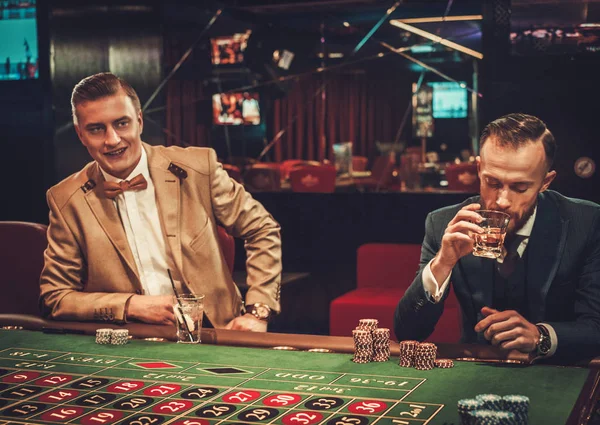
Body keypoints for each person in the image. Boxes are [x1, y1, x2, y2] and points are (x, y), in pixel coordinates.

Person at [40, 72, 282, 332]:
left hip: (218, 330)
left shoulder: (199, 168)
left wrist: (258, 311)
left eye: (122, 123)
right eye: (97, 129)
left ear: (140, 121)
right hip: (131, 340)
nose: (112, 140)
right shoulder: (66, 200)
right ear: (80, 134)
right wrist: (131, 305)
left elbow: (262, 229)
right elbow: (56, 297)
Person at [394, 113, 600, 362]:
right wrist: (442, 262)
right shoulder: (442, 224)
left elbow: (595, 326)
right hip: (477, 368)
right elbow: (408, 332)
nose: (502, 201)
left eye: (520, 187)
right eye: (492, 182)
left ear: (545, 182)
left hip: (558, 371)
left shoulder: (587, 222)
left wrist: (541, 336)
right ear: (480, 169)